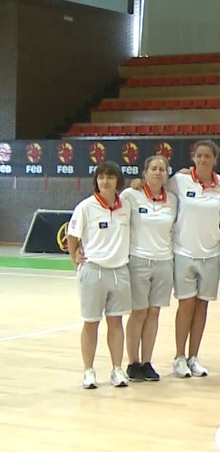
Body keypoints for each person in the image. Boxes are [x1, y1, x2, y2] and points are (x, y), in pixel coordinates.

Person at [68, 161, 132, 389]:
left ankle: (117, 369)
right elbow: (72, 234)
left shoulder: (127, 206)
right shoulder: (85, 207)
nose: (105, 181)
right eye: (101, 177)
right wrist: (74, 255)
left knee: (116, 322)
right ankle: (88, 371)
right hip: (93, 271)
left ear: (118, 181)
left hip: (119, 271)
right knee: (91, 323)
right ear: (96, 180)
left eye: (110, 177)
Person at [168, 140, 220, 378]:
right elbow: (157, 191)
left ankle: (194, 357)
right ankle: (179, 357)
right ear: (193, 158)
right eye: (199, 156)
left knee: (202, 307)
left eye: (207, 156)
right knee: (186, 305)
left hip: (211, 254)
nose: (203, 160)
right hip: (184, 252)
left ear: (215, 159)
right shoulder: (179, 181)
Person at [122, 155, 177, 382]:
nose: (157, 172)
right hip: (138, 260)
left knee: (154, 312)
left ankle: (147, 362)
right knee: (139, 312)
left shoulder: (172, 199)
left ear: (166, 174)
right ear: (144, 172)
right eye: (153, 168)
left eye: (162, 169)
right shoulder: (131, 196)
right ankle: (132, 362)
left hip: (164, 261)